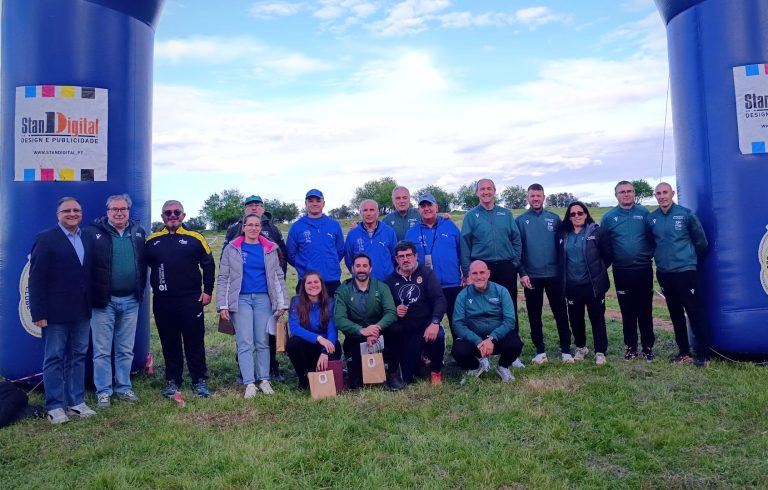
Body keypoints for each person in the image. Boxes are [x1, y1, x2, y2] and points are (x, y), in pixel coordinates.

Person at [29, 197, 96, 424]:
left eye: (76, 210)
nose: (72, 213)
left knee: (78, 356)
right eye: (67, 210)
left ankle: (76, 402)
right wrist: (38, 313)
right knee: (54, 358)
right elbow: (36, 279)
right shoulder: (46, 239)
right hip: (55, 312)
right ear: (58, 215)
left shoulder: (86, 237)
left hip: (82, 310)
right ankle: (55, 406)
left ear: (81, 213)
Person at [145, 200, 215, 398]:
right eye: (168, 212)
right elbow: (141, 267)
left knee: (194, 341)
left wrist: (208, 291)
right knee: (169, 342)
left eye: (177, 212)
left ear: (183, 215)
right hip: (163, 300)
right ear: (162, 217)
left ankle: (199, 379)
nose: (172, 215)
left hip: (190, 299)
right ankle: (173, 380)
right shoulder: (152, 240)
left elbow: (208, 264)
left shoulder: (195, 237)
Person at [86, 194, 147, 409]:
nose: (119, 213)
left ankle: (123, 387)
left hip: (131, 300)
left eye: (123, 209)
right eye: (114, 209)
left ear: (129, 211)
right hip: (103, 301)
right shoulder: (92, 232)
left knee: (125, 349)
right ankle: (104, 391)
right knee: (102, 350)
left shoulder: (138, 232)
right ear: (107, 211)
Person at [217, 214, 288, 397]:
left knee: (262, 342)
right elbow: (224, 277)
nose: (253, 228)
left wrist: (282, 302)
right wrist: (223, 304)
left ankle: (264, 379)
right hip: (241, 300)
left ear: (260, 227)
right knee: (245, 342)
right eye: (250, 225)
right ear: (243, 227)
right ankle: (249, 382)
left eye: (257, 225)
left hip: (264, 299)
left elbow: (278, 276)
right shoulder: (232, 248)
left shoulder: (270, 248)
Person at [460, 178, 524, 368]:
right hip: (481, 268)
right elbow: (465, 245)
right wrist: (468, 272)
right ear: (477, 193)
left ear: (495, 191)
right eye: (482, 189)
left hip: (505, 267)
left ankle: (512, 354)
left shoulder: (505, 214)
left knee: (509, 307)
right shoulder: (471, 216)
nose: (486, 192)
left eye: (489, 188)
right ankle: (482, 353)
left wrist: (514, 263)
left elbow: (516, 239)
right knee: (480, 310)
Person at [646, 182, 710, 367]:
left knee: (695, 312)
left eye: (665, 192)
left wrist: (688, 259)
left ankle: (704, 355)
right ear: (655, 196)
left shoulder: (686, 215)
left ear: (672, 193)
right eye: (658, 193)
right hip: (664, 273)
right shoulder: (652, 219)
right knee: (675, 314)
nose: (662, 196)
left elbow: (702, 243)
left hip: (686, 272)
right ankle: (683, 352)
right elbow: (651, 243)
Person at [516, 184, 572, 364]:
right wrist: (522, 272)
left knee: (561, 312)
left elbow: (564, 244)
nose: (535, 199)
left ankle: (566, 349)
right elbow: (518, 250)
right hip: (531, 276)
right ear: (527, 198)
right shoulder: (520, 221)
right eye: (532, 196)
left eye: (538, 196)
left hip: (554, 275)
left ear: (544, 197)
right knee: (534, 314)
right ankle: (540, 351)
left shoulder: (554, 218)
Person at [600, 181, 656, 361]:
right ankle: (631, 346)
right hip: (622, 271)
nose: (626, 194)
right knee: (627, 310)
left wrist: (648, 254)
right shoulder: (609, 217)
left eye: (629, 191)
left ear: (634, 193)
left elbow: (653, 238)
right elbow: (603, 244)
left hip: (643, 269)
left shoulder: (644, 213)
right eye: (622, 192)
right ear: (616, 195)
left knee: (645, 310)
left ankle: (647, 347)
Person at [384, 241, 447, 387]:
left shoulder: (426, 273)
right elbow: (385, 308)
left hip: (426, 325)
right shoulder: (390, 280)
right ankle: (417, 360)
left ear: (416, 256)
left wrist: (435, 322)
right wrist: (395, 309)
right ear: (396, 259)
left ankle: (436, 369)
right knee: (408, 377)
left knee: (437, 336)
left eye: (408, 255)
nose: (405, 259)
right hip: (406, 330)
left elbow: (439, 299)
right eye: (401, 256)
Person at [558, 201, 611, 366]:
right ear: (569, 217)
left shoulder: (596, 232)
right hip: (571, 285)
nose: (577, 216)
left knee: (597, 318)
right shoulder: (563, 234)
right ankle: (581, 348)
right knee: (575, 319)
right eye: (573, 214)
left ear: (586, 214)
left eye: (580, 213)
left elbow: (608, 256)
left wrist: (598, 272)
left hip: (593, 285)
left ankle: (600, 351)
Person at [451, 260, 523, 382]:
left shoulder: (501, 291)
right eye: (474, 273)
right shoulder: (463, 295)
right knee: (458, 351)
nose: (479, 277)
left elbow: (510, 320)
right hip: (475, 340)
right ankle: (476, 367)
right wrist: (478, 341)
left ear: (488, 274)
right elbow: (457, 324)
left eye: (482, 272)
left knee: (516, 344)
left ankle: (503, 366)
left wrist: (492, 338)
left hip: (497, 338)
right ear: (469, 276)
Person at [334, 253, 397, 389]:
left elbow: (391, 313)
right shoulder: (343, 290)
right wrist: (361, 330)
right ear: (352, 268)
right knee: (357, 384)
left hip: (379, 335)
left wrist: (376, 329)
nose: (361, 269)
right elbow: (339, 319)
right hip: (355, 336)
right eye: (358, 266)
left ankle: (392, 372)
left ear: (370, 268)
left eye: (365, 266)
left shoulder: (381, 287)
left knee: (395, 330)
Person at [404, 194, 462, 338]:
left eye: (429, 205)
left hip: (453, 284)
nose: (426, 209)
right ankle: (432, 351)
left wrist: (465, 274)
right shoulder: (411, 233)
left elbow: (462, 251)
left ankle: (461, 349)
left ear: (436, 207)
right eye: (422, 206)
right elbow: (407, 259)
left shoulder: (450, 226)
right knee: (429, 325)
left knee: (458, 324)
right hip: (427, 286)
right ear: (418, 210)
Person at [285, 272, 340, 390]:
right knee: (292, 343)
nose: (313, 285)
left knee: (335, 346)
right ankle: (303, 378)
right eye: (309, 282)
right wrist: (318, 338)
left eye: (316, 282)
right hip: (307, 345)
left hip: (324, 347)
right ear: (303, 286)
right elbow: (294, 328)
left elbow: (333, 331)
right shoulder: (296, 301)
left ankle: (320, 374)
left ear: (321, 284)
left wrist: (325, 352)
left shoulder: (330, 302)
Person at [286, 189, 344, 296]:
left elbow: (340, 251)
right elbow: (290, 254)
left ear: (323, 203)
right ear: (306, 204)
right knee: (305, 308)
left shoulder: (334, 225)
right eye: (311, 201)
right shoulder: (297, 227)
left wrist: (330, 264)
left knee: (334, 307)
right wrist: (305, 266)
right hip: (307, 281)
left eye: (318, 200)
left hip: (331, 280)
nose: (314, 203)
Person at [344, 199, 397, 281]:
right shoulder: (352, 234)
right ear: (360, 213)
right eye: (365, 210)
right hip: (362, 283)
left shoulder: (389, 231)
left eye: (372, 210)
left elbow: (394, 256)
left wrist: (387, 272)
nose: (368, 213)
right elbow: (348, 259)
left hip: (386, 282)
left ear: (378, 212)